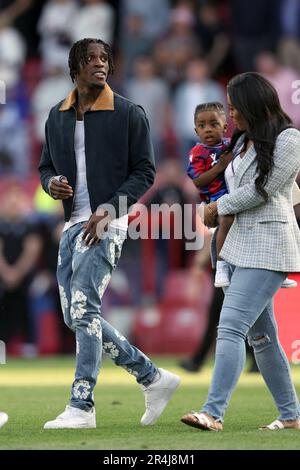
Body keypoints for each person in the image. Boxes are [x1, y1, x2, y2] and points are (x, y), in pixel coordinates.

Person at [38, 38, 180, 429]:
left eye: (104, 59)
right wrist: (52, 185)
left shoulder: (129, 113)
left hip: (107, 223)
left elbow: (145, 172)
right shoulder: (57, 115)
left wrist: (108, 210)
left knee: (83, 311)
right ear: (74, 68)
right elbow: (45, 167)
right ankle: (151, 377)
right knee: (76, 315)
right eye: (90, 59)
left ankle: (81, 405)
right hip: (71, 225)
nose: (100, 65)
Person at [181, 72, 300, 431]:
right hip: (233, 245)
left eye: (235, 108)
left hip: (270, 244)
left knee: (230, 326)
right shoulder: (242, 140)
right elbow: (217, 183)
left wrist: (220, 207)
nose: (231, 115)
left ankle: (213, 412)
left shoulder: (290, 138)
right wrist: (211, 210)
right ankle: (291, 415)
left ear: (254, 104)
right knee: (262, 338)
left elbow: (265, 188)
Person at [187, 101, 297, 289]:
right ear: (196, 130)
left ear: (224, 126)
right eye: (202, 126)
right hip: (215, 197)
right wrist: (220, 168)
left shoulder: (234, 143)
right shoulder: (198, 152)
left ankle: (278, 267)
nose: (208, 130)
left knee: (275, 209)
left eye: (213, 124)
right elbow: (197, 181)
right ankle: (221, 265)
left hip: (234, 191)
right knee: (227, 220)